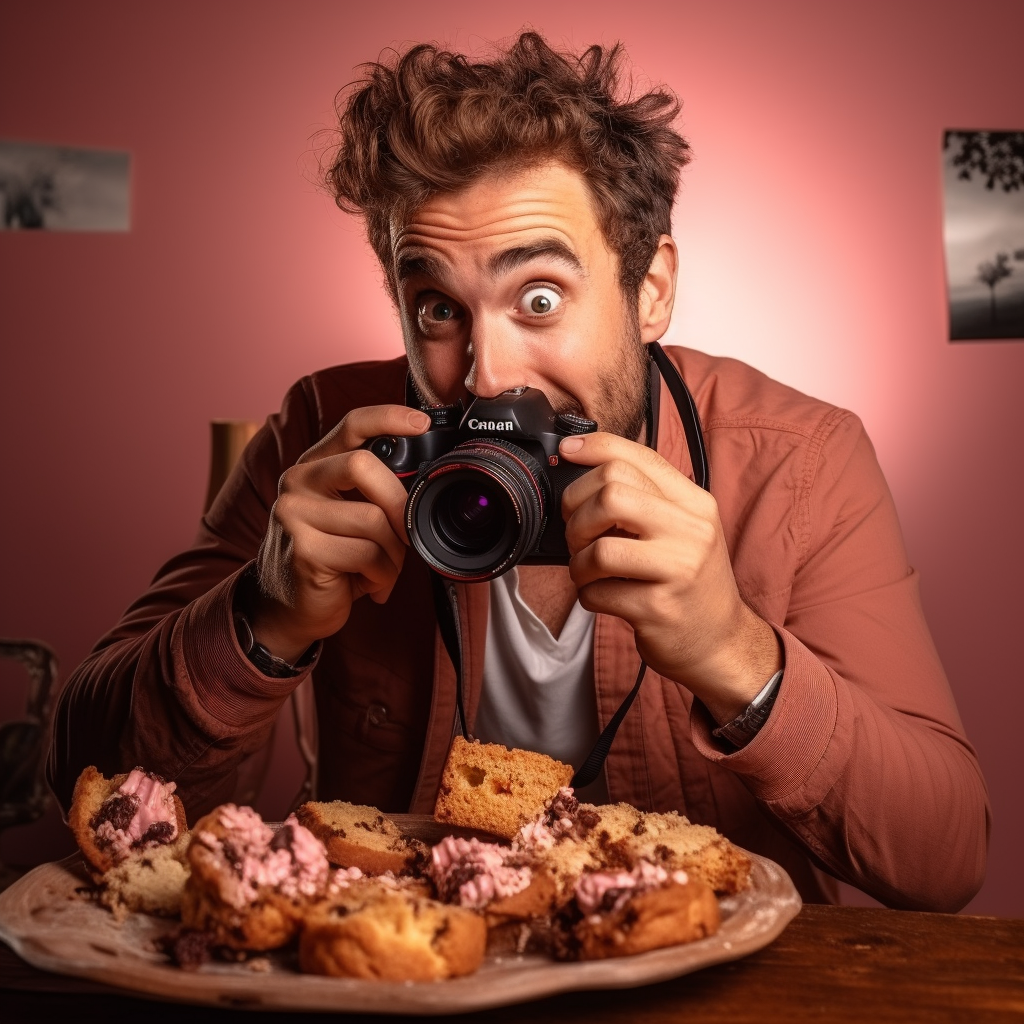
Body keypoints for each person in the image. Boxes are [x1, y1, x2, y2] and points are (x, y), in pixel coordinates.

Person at [48, 32, 988, 912]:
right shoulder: (329, 436)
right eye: (437, 310)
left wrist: (733, 651)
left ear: (649, 287)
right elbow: (86, 782)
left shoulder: (798, 460)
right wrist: (264, 617)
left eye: (539, 297)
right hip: (412, 966)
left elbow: (941, 859)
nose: (487, 371)